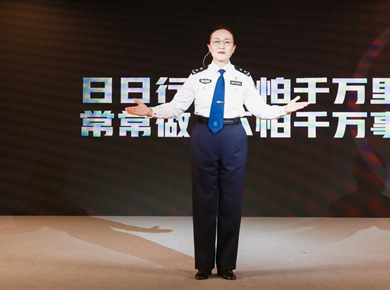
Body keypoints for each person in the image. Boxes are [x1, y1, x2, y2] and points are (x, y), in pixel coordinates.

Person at [125, 28, 309, 280]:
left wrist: (284, 109)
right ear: (209, 47)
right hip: (203, 134)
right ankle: (203, 264)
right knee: (203, 200)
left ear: (233, 48)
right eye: (216, 41)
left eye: (227, 42)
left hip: (234, 135)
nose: (221, 45)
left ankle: (226, 265)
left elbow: (259, 109)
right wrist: (150, 112)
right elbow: (177, 106)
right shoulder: (196, 76)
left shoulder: (243, 77)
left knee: (231, 201)